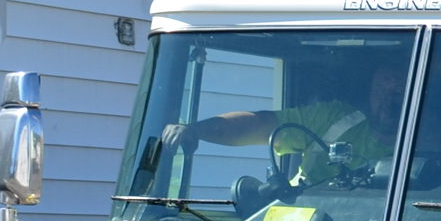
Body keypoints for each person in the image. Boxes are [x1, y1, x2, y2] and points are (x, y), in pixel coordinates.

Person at [159, 63, 407, 176]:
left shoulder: (429, 136)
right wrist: (195, 130)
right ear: (370, 94)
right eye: (380, 91)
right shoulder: (335, 117)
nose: (388, 101)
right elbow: (260, 126)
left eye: (397, 94)